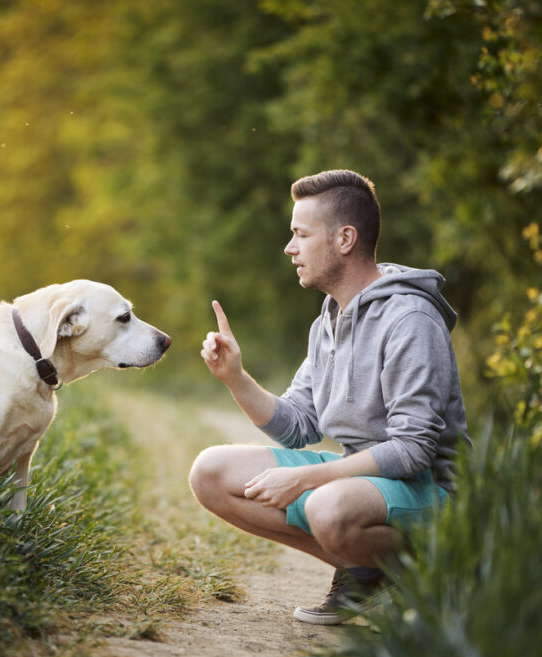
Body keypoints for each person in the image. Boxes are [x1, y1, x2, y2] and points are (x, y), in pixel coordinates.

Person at [189, 169, 469, 625]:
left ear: (344, 239)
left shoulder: (410, 319)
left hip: (433, 492)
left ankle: (438, 568)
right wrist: (235, 378)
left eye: (301, 234)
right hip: (364, 484)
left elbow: (414, 450)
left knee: (326, 504)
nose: (289, 247)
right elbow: (298, 425)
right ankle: (366, 571)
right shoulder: (328, 324)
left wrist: (307, 482)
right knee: (210, 473)